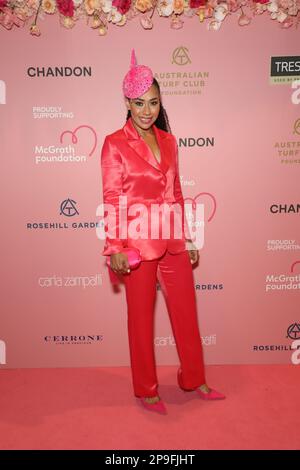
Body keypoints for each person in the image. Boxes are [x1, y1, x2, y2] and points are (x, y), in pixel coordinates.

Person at [100, 50, 225, 414]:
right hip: (137, 246)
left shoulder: (169, 141)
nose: (146, 110)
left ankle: (194, 379)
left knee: (187, 314)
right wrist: (115, 247)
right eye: (139, 103)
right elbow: (111, 198)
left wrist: (187, 238)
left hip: (172, 241)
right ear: (127, 101)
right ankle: (146, 388)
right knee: (140, 321)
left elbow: (177, 193)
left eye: (153, 102)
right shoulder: (114, 144)